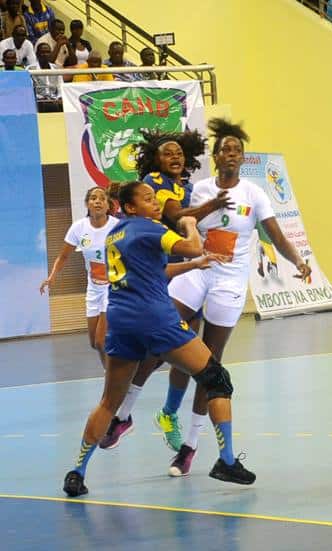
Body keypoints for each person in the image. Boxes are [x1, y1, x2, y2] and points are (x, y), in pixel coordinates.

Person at [62, 181, 256, 497]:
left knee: (109, 402)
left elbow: (157, 273)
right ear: (129, 207)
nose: (155, 203)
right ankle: (226, 460)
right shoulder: (150, 228)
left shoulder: (117, 233)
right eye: (148, 199)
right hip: (156, 320)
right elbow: (193, 245)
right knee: (217, 378)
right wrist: (190, 225)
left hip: (121, 322)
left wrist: (195, 266)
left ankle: (77, 472)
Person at [164, 118, 311, 477]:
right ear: (215, 157)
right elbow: (175, 221)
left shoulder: (254, 194)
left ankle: (191, 446)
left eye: (237, 150)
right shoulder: (198, 190)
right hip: (196, 270)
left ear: (242, 159)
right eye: (225, 149)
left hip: (229, 283)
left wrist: (298, 261)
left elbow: (275, 236)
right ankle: (154, 412)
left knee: (210, 366)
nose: (231, 154)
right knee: (163, 329)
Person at [100, 129, 233, 457]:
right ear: (154, 160)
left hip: (192, 268)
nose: (175, 157)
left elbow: (192, 221)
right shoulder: (155, 183)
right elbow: (178, 217)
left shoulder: (188, 187)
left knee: (192, 353)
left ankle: (168, 414)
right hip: (163, 271)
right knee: (160, 348)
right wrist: (212, 205)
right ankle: (124, 413)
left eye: (179, 153)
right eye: (167, 153)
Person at [40, 188, 119, 368]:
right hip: (93, 288)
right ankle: (112, 373)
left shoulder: (116, 226)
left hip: (113, 288)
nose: (97, 201)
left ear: (108, 205)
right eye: (93, 198)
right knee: (94, 343)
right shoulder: (79, 227)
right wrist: (52, 277)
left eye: (102, 199)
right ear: (87, 204)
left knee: (101, 341)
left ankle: (114, 379)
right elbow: (63, 256)